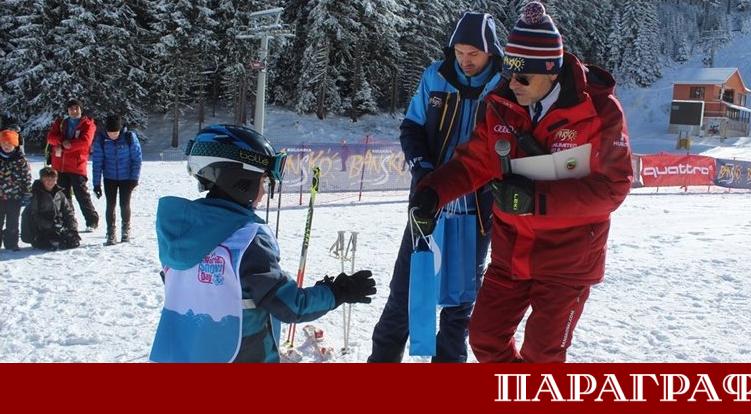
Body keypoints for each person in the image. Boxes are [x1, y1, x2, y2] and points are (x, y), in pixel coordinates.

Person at [409, 2, 633, 363]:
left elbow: (613, 188)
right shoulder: (501, 103)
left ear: (552, 72)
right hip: (510, 254)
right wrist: (433, 193)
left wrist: (537, 200)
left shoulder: (600, 112)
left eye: (523, 77)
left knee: (542, 354)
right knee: (484, 338)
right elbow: (474, 162)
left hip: (568, 261)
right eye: (509, 73)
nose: (512, 83)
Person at [150, 124, 377, 363]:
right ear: (241, 181)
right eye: (263, 182)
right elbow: (290, 306)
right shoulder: (247, 239)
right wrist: (337, 292)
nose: (264, 191)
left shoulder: (179, 231)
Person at [369, 12, 502, 363]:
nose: (465, 60)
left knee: (458, 304)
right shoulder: (437, 76)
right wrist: (423, 170)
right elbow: (411, 127)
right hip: (429, 201)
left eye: (473, 52)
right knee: (406, 290)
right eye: (459, 51)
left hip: (475, 209)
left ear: (490, 51)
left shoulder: (504, 85)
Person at [46, 98, 99, 231]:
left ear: (81, 109)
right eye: (71, 109)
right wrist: (63, 141)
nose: (74, 111)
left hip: (77, 165)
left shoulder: (88, 124)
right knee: (63, 197)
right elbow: (50, 138)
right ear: (67, 110)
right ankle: (68, 221)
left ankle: (92, 221)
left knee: (81, 194)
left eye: (76, 108)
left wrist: (66, 146)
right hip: (59, 165)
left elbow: (85, 142)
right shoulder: (61, 122)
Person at [92, 114, 142, 245]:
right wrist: (96, 184)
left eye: (115, 132)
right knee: (110, 205)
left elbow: (136, 159)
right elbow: (97, 162)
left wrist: (134, 178)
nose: (112, 135)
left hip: (127, 178)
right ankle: (110, 232)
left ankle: (125, 230)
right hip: (109, 178)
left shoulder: (129, 138)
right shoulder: (101, 140)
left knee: (124, 204)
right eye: (110, 132)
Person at [20, 167, 81, 251]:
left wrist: (72, 229)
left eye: (53, 179)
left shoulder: (60, 194)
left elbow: (68, 212)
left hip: (57, 225)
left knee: (72, 242)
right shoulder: (36, 195)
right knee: (48, 245)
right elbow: (34, 215)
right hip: (41, 228)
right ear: (42, 180)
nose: (50, 182)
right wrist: (50, 226)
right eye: (47, 180)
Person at [0, 129, 31, 251]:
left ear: (15, 144)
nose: (7, 146)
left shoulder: (20, 160)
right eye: (4, 144)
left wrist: (27, 192)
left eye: (9, 144)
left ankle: (11, 243)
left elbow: (26, 178)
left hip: (15, 197)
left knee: (12, 222)